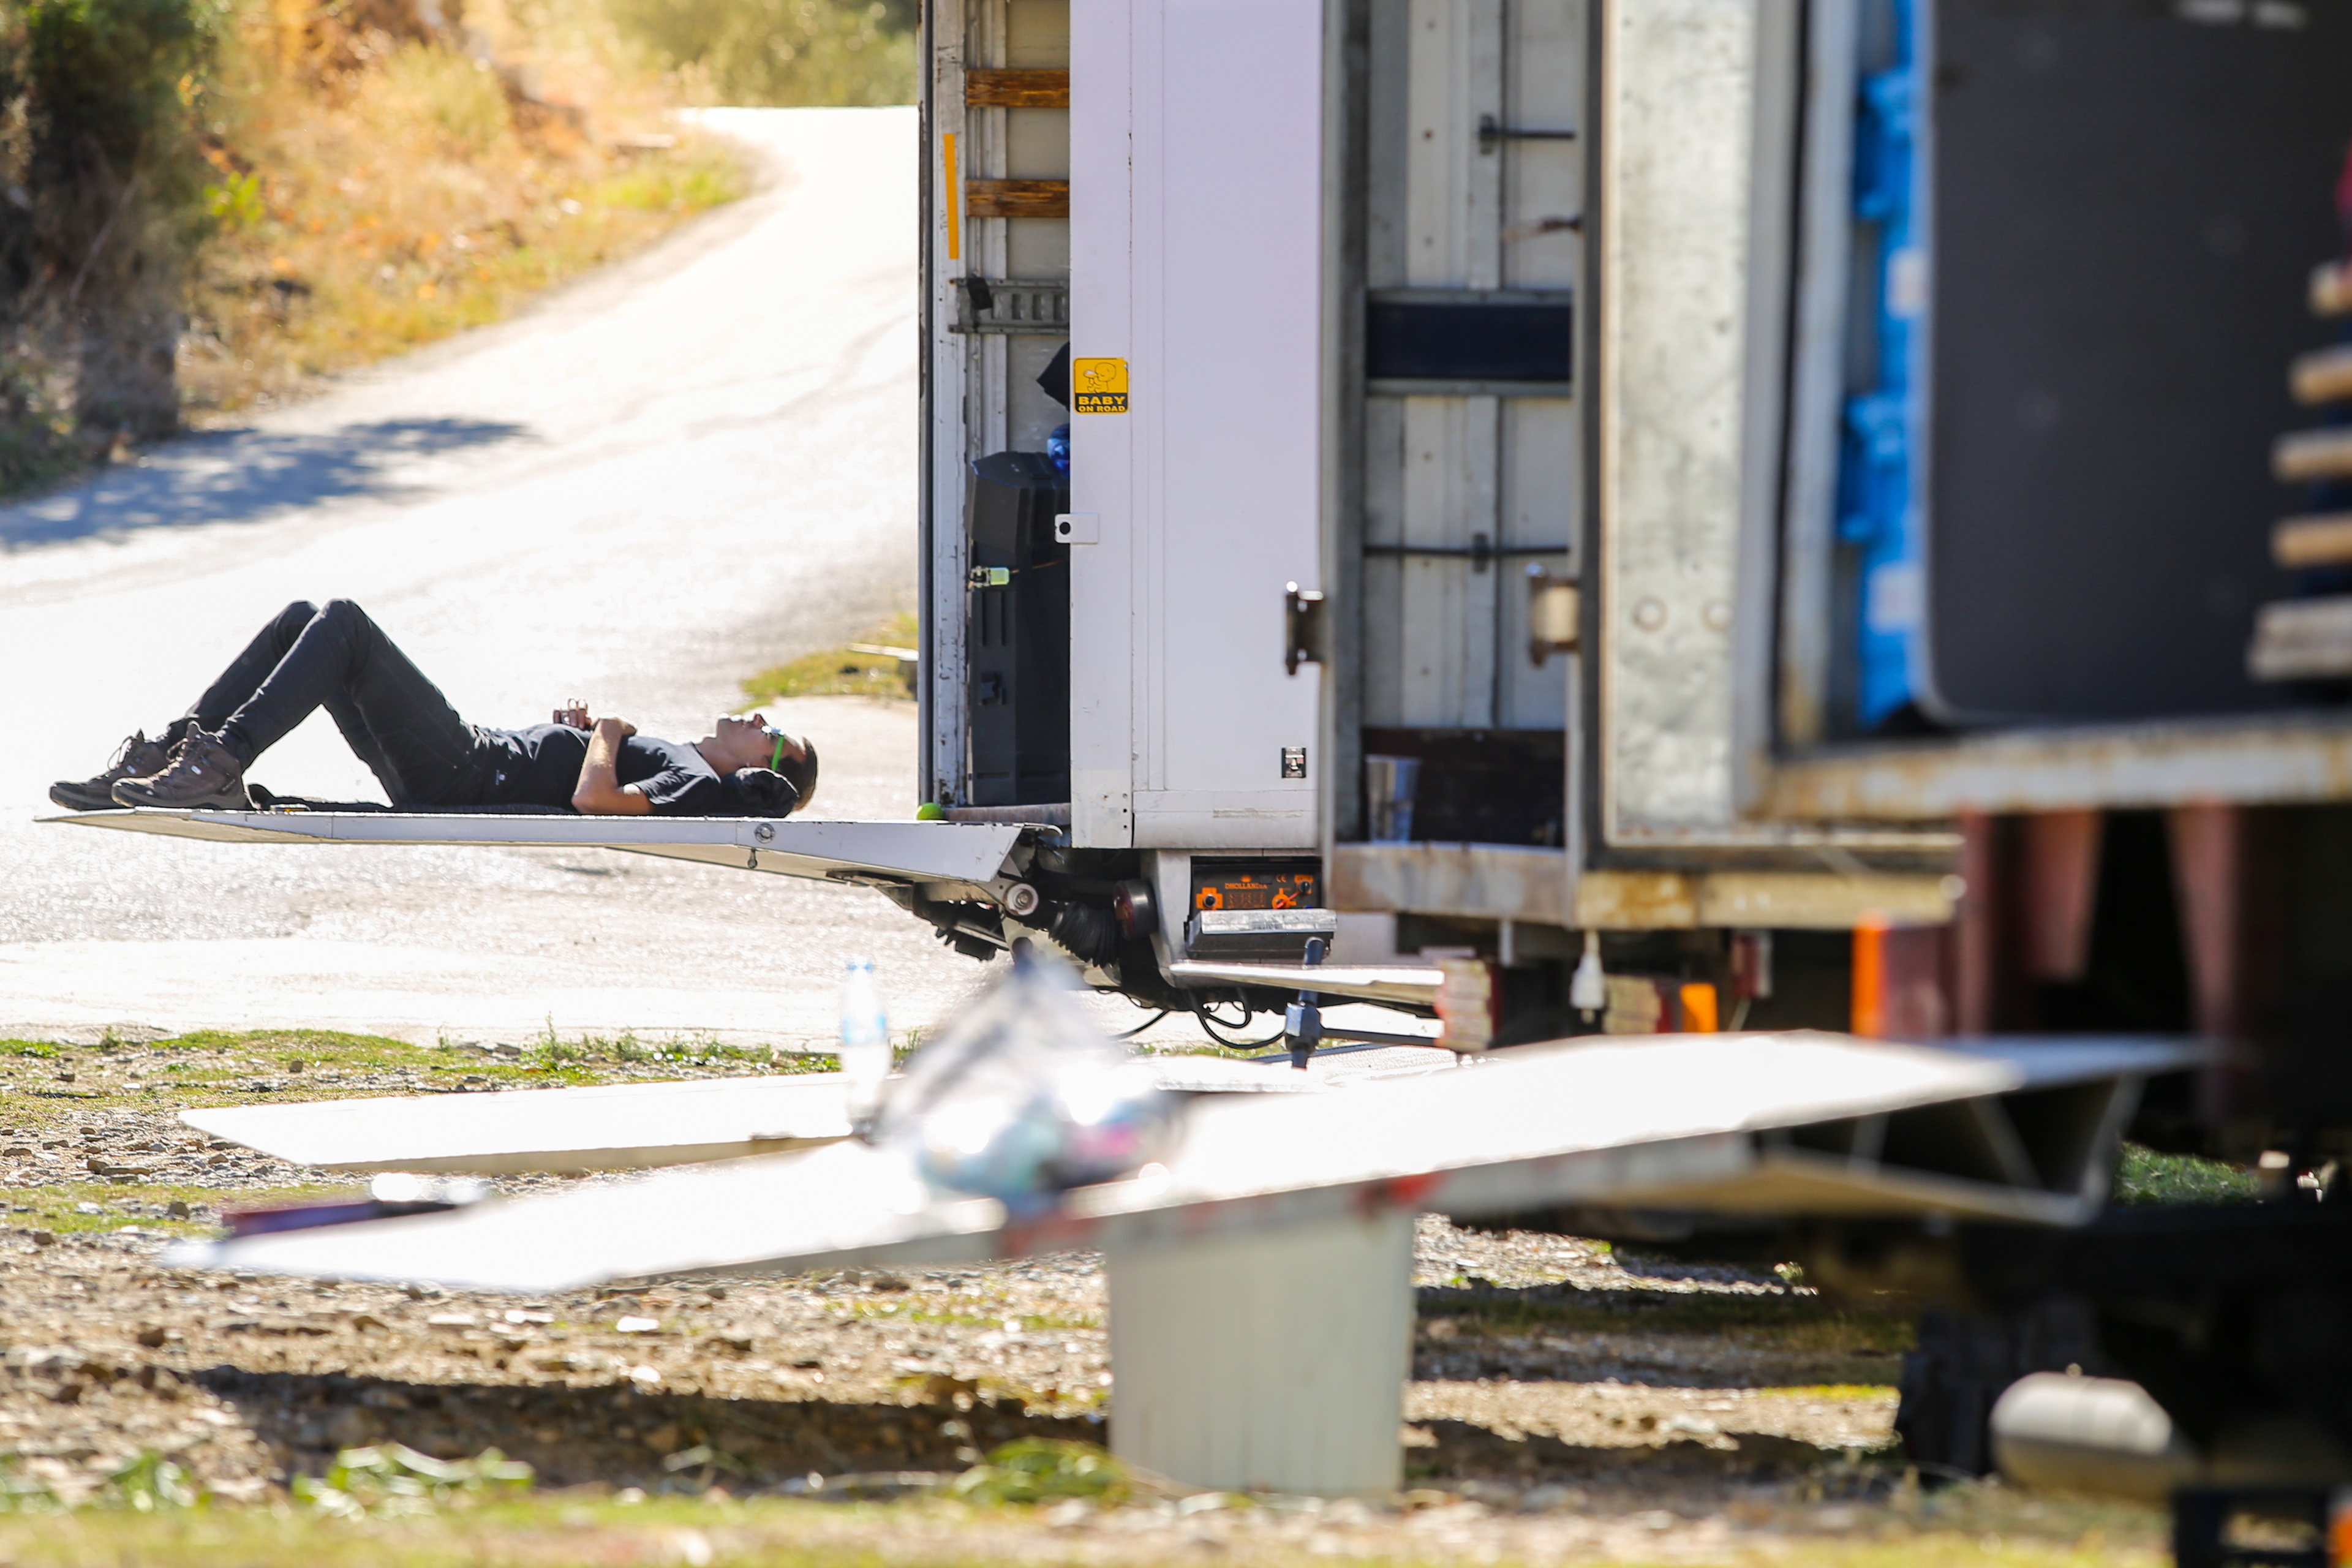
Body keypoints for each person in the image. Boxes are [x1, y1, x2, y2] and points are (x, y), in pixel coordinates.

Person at [50, 599, 820, 818]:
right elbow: (584, 779)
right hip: (467, 763)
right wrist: (578, 735)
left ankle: (218, 765)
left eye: (774, 735)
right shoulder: (684, 761)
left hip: (465, 768)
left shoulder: (702, 783)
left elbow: (596, 802)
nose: (760, 720)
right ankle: (169, 755)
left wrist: (610, 733)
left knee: (346, 622)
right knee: (303, 619)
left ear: (764, 772)